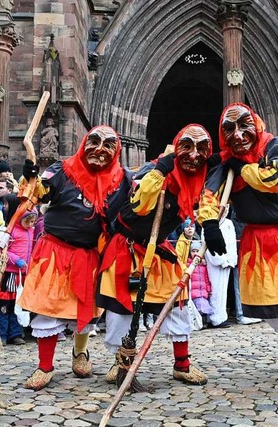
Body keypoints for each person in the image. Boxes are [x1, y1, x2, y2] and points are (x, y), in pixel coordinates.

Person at [198, 103, 278, 384]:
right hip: (259, 242)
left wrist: (243, 168)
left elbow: (275, 180)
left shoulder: (276, 146)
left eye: (244, 125)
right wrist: (209, 223)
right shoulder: (226, 162)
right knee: (276, 308)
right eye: (229, 128)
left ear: (256, 124)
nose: (238, 134)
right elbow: (210, 193)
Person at [17, 125, 132, 391]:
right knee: (47, 309)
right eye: (94, 142)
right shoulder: (62, 170)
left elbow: (136, 206)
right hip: (55, 252)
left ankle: (80, 353)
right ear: (83, 143)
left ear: (116, 152)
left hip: (91, 255)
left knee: (85, 309)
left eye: (108, 145)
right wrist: (30, 178)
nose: (100, 150)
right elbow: (38, 194)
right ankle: (45, 365)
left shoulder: (123, 179)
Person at [97, 123, 213, 387]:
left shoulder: (195, 183)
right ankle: (122, 362)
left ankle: (182, 364)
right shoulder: (153, 171)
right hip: (127, 248)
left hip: (159, 248)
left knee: (176, 301)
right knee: (121, 309)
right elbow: (138, 205)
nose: (194, 155)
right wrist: (162, 168)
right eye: (187, 147)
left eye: (201, 149)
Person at [0, 209, 37, 346]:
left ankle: (16, 334)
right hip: (10, 273)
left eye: (33, 222)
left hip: (23, 274)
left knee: (18, 305)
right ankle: (1, 334)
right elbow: (3, 249)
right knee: (4, 305)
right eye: (28, 221)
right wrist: (15, 259)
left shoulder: (31, 231)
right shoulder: (11, 230)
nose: (31, 224)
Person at [202, 207, 237, 329]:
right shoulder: (209, 224)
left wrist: (231, 259)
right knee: (215, 290)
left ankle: (221, 316)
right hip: (216, 262)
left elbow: (232, 243)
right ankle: (214, 317)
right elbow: (208, 245)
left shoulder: (228, 223)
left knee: (223, 290)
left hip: (227, 261)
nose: (226, 210)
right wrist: (220, 260)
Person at [229, 206, 261, 325]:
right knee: (239, 285)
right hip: (241, 254)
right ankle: (242, 313)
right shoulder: (238, 218)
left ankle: (252, 312)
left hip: (249, 253)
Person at [187, 240, 212, 325]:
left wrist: (208, 289)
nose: (195, 253)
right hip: (194, 291)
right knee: (197, 307)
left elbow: (206, 278)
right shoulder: (188, 264)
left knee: (204, 307)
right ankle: (198, 322)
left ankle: (203, 321)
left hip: (203, 291)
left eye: (197, 251)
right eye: (193, 251)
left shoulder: (203, 266)